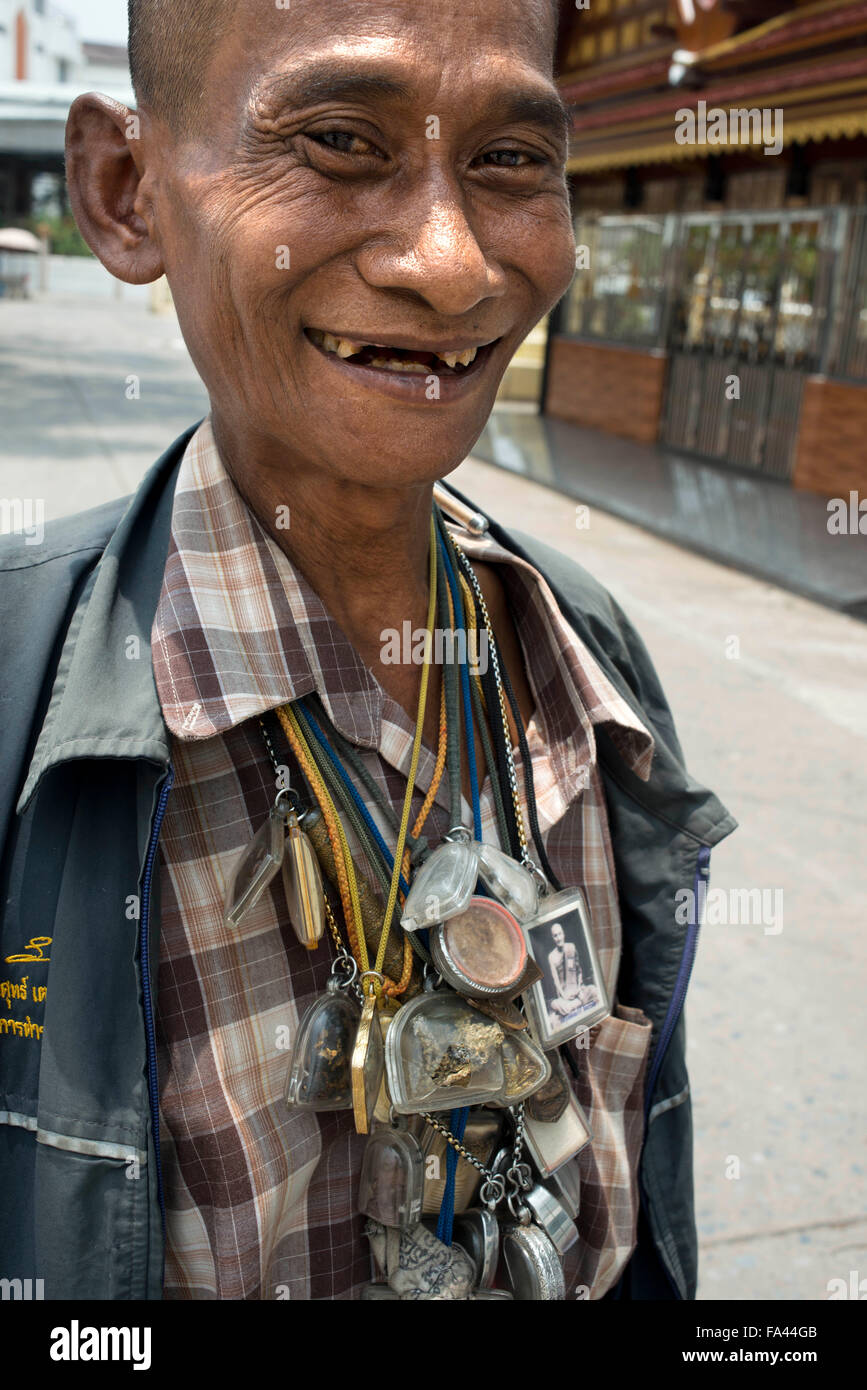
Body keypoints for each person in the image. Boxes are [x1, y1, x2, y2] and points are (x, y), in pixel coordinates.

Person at [0, 0, 735, 1300]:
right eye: (339, 140)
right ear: (127, 192)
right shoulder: (23, 696)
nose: (452, 266)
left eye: (510, 161)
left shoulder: (585, 661)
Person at [547, 921, 599, 1021]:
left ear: (564, 934)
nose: (558, 938)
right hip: (565, 996)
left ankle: (578, 1002)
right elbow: (556, 981)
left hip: (578, 990)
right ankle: (578, 1003)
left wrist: (579, 988)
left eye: (560, 934)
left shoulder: (571, 947)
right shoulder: (551, 957)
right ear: (553, 938)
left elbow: (579, 970)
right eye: (555, 936)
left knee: (593, 990)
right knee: (560, 1006)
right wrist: (564, 995)